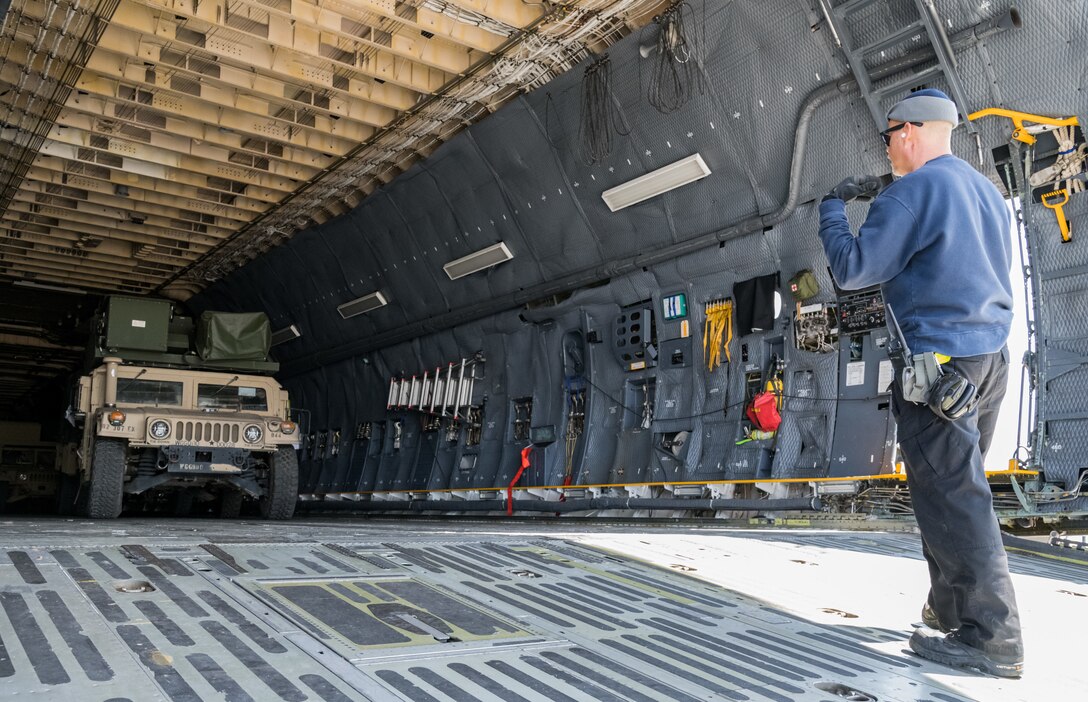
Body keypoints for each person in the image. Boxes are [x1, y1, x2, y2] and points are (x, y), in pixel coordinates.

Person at [818, 88, 1024, 678]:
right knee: (949, 491)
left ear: (908, 131)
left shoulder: (913, 191)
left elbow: (854, 268)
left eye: (887, 138)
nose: (886, 151)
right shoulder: (986, 192)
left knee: (955, 500)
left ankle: (992, 637)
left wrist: (832, 207)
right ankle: (948, 610)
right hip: (988, 360)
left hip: (938, 369)